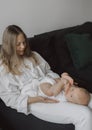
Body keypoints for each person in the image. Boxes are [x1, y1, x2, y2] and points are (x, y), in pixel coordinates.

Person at [0, 25, 92, 130]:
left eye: (24, 42)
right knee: (85, 115)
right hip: (35, 99)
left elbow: (48, 72)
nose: (23, 47)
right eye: (18, 44)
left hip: (52, 87)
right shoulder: (3, 69)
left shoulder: (33, 55)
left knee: (89, 98)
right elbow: (10, 99)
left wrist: (62, 82)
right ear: (9, 46)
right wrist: (38, 99)